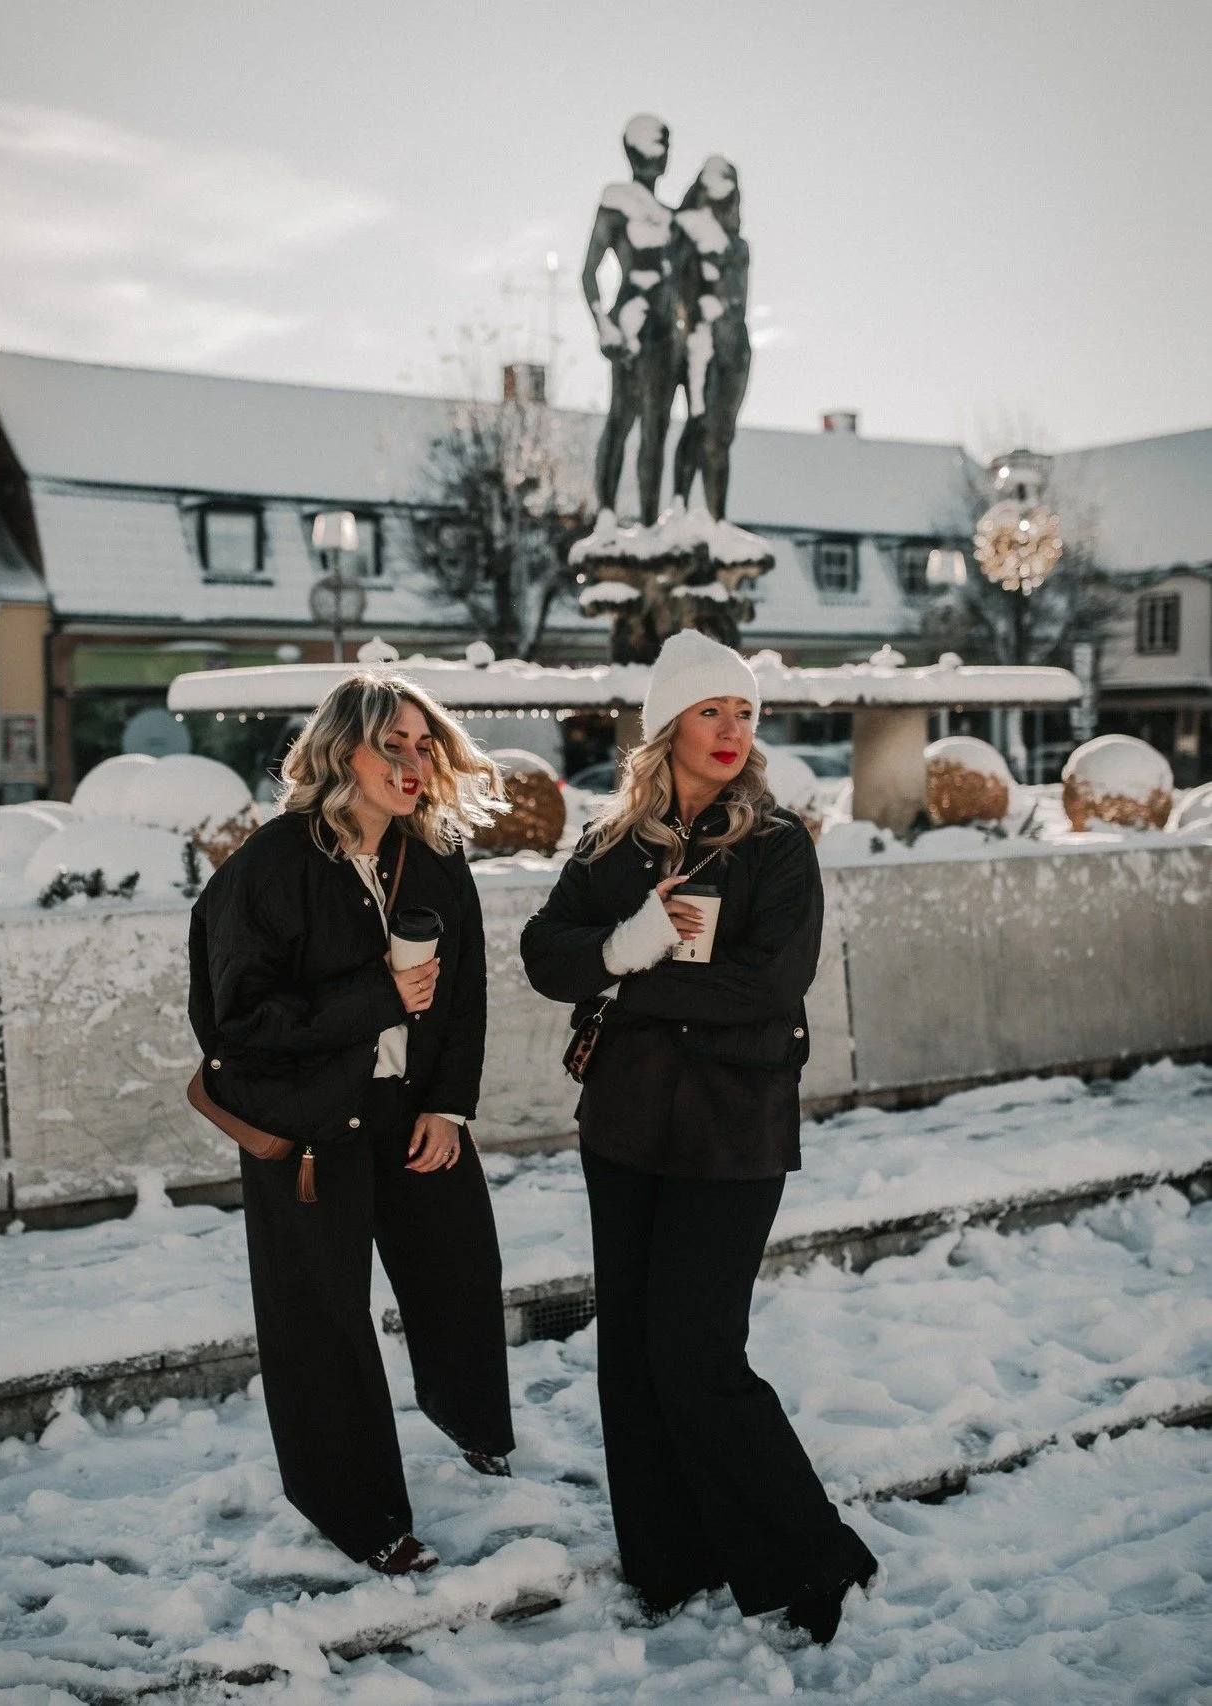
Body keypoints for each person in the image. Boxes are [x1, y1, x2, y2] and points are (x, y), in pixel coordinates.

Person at [520, 629, 878, 1641]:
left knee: (696, 1350)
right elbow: (545, 955)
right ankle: (668, 1559)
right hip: (624, 1123)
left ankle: (813, 1556)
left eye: (744, 712)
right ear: (667, 723)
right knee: (631, 1354)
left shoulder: (777, 843)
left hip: (732, 1130)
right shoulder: (612, 844)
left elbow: (769, 984)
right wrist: (620, 945)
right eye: (710, 710)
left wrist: (628, 977)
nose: (731, 730)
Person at [189, 673, 515, 1576]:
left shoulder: (434, 854)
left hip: (414, 1112)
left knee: (459, 1270)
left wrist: (448, 1105)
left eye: (423, 745)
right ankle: (359, 1514)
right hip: (307, 1129)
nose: (413, 764)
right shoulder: (268, 867)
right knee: (322, 1322)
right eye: (391, 745)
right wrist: (377, 996)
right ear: (342, 752)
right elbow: (236, 1023)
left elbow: (465, 992)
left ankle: (473, 1424)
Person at [580, 113, 681, 529]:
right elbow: (589, 272)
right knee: (622, 418)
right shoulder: (617, 203)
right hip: (632, 324)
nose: (660, 157)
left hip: (666, 331)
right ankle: (606, 511)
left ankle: (650, 522)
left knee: (657, 427)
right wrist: (604, 325)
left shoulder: (672, 217)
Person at [671, 155, 751, 522]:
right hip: (704, 342)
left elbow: (736, 293)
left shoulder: (738, 246)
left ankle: (717, 517)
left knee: (723, 436)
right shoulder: (691, 235)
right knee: (700, 424)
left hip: (735, 345)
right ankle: (681, 505)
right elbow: (684, 292)